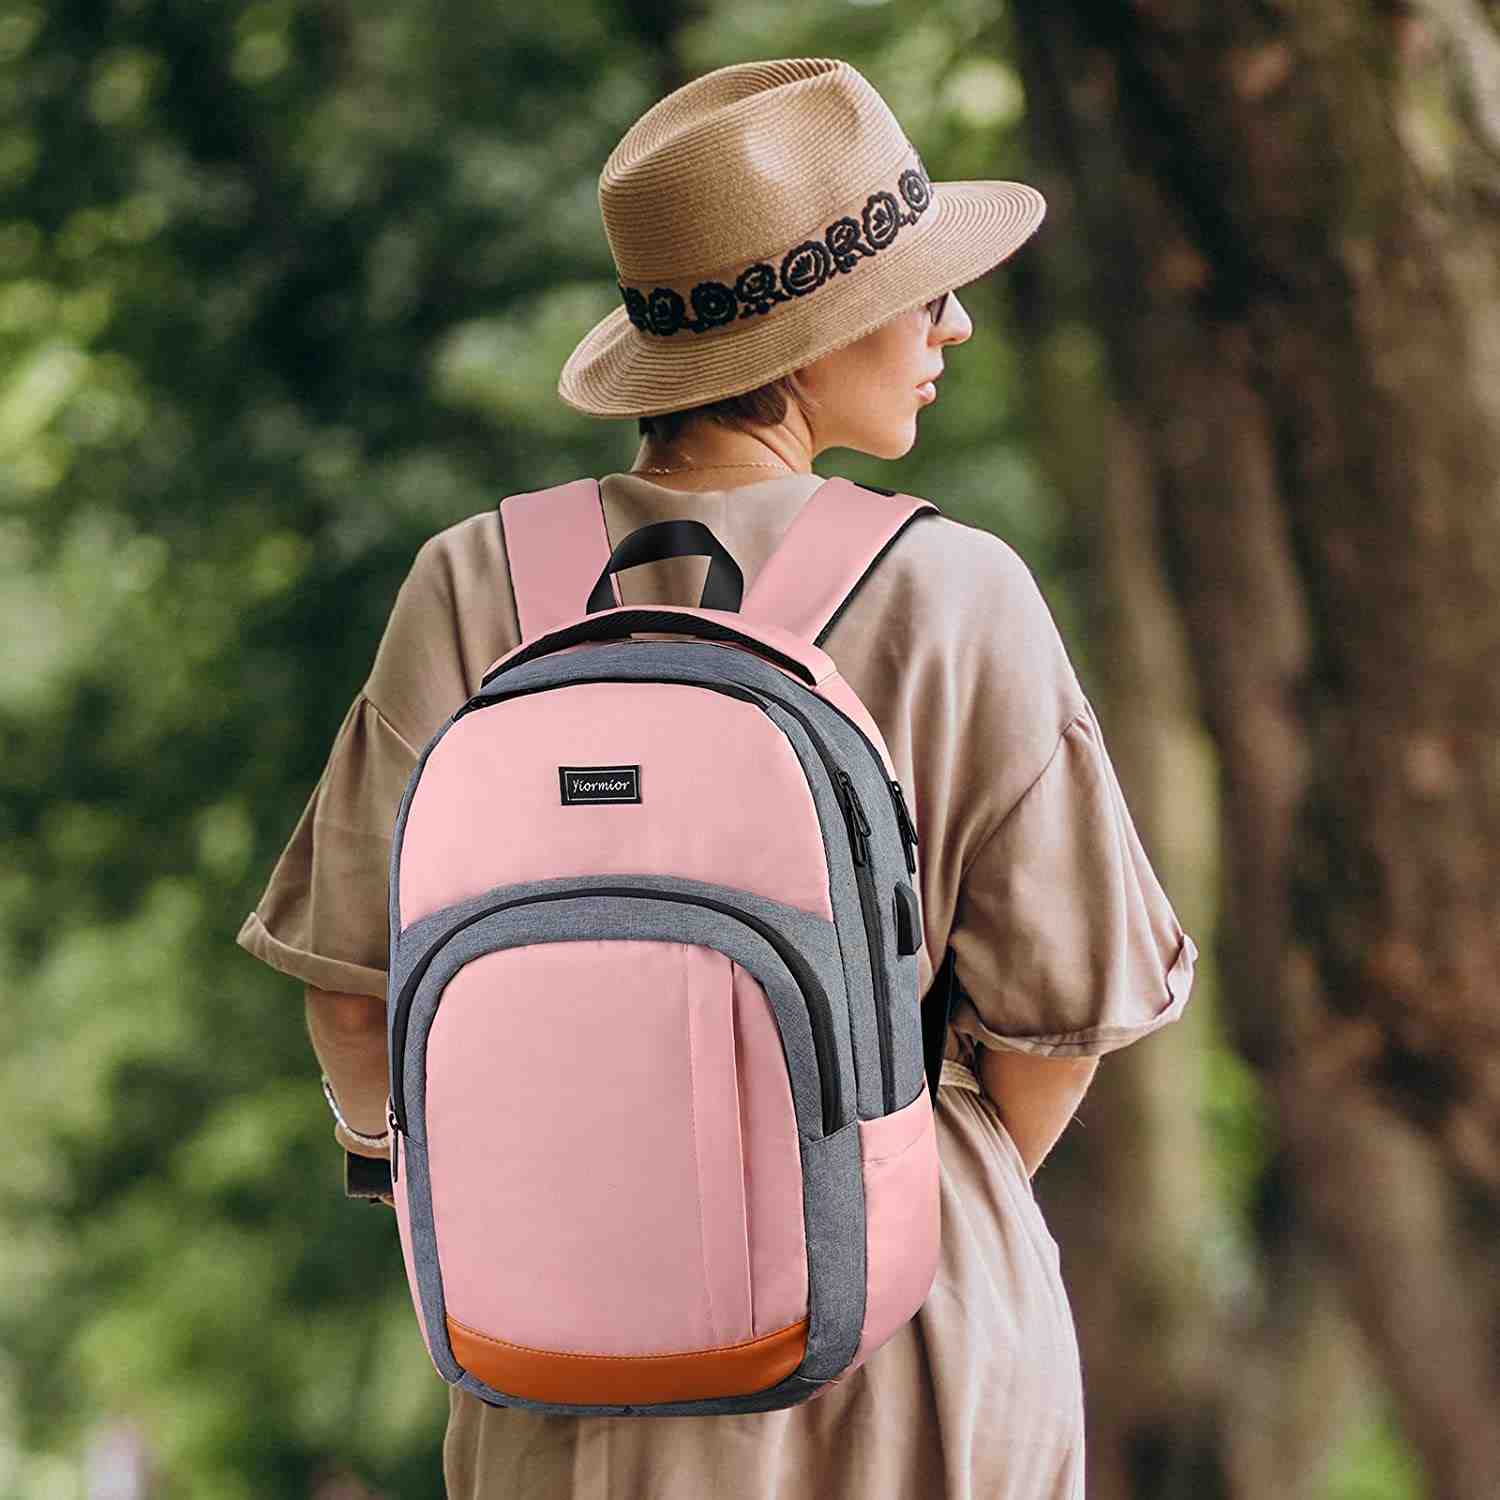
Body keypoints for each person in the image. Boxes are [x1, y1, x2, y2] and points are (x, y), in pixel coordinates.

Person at [237, 56, 1198, 1499]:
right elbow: (1065, 1018)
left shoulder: (469, 585)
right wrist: (877, 1181)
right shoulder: (956, 593)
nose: (958, 320)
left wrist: (452, 1184)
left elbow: (346, 989)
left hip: (562, 1359)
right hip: (901, 1354)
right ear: (809, 341)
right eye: (921, 292)